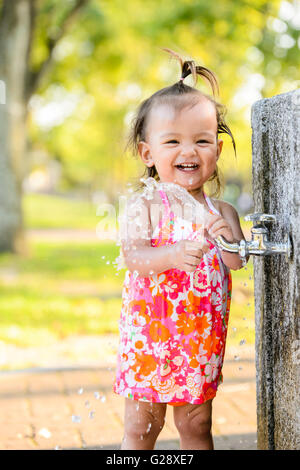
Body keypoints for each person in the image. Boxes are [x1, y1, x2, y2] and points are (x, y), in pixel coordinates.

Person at [113, 48, 249, 450]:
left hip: (200, 339)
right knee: (141, 430)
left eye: (202, 141)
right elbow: (132, 257)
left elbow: (236, 261)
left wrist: (227, 237)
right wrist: (171, 255)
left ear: (217, 151)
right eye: (172, 141)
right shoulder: (146, 205)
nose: (188, 152)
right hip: (149, 338)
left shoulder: (220, 209)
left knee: (196, 428)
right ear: (148, 152)